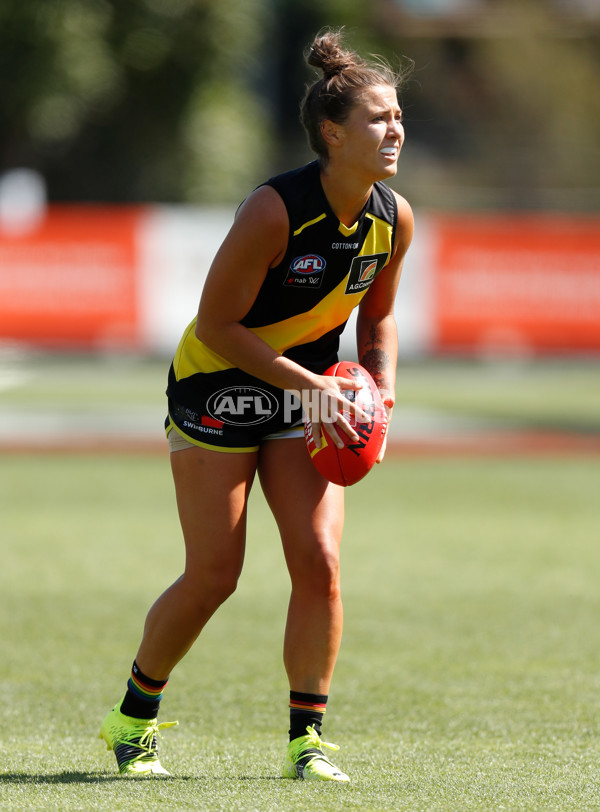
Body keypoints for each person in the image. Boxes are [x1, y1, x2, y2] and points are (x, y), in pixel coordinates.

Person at [99, 27, 414, 782]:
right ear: (333, 133)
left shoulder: (392, 219)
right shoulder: (275, 212)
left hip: (305, 388)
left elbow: (377, 320)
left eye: (399, 115)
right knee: (215, 573)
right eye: (379, 118)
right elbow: (217, 328)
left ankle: (307, 744)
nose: (396, 129)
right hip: (218, 381)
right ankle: (131, 721)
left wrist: (380, 391)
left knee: (321, 561)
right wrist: (315, 389)